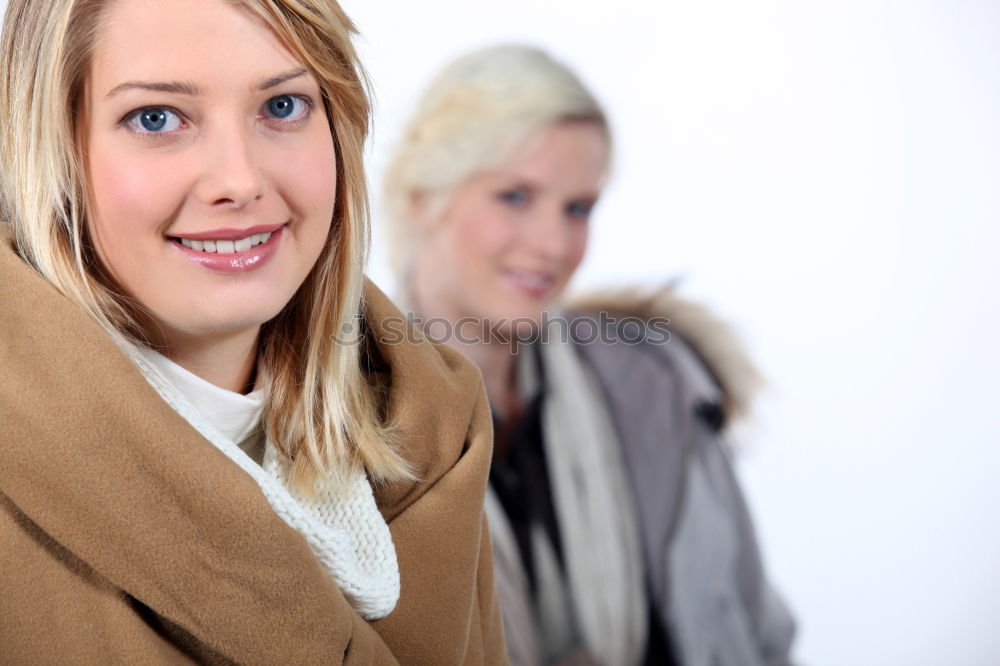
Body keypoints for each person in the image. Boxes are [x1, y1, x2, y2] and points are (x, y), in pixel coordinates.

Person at [0, 1, 505, 663]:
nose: (239, 181)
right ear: (52, 148)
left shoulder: (436, 423)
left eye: (283, 107)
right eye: (156, 118)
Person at [384, 44, 797, 666]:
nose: (553, 244)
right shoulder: (336, 429)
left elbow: (759, 635)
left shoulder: (657, 387)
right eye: (515, 197)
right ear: (422, 196)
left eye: (577, 208)